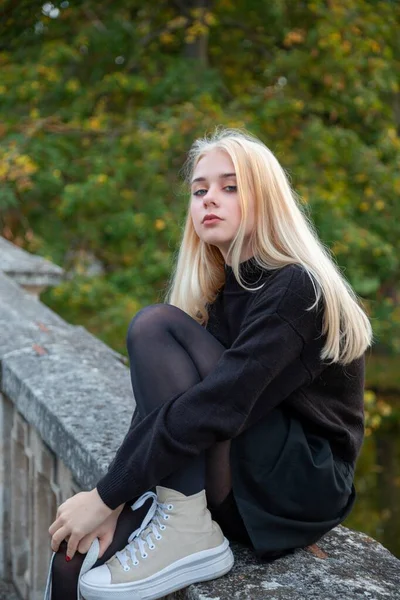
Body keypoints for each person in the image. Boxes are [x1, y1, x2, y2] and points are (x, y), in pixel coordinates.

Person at [47, 127, 373, 600]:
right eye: (199, 191)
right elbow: (162, 408)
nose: (208, 200)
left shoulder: (297, 289)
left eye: (230, 186)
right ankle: (182, 520)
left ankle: (186, 527)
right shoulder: (222, 293)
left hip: (299, 487)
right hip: (239, 461)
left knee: (154, 325)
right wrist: (112, 499)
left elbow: (218, 404)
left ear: (266, 197)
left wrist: (106, 494)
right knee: (73, 555)